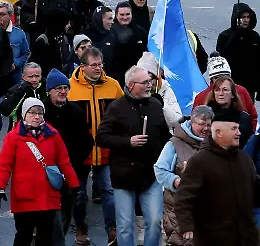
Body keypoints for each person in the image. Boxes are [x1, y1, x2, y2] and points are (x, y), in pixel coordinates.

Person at [96, 66, 171, 246]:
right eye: (145, 82)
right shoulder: (116, 107)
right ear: (131, 85)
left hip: (150, 175)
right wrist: (128, 142)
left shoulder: (155, 104)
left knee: (154, 222)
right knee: (125, 226)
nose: (149, 85)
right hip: (124, 176)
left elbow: (165, 136)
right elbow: (101, 137)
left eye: (150, 81)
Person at [0, 97, 80, 246]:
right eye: (32, 113)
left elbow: (64, 163)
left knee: (45, 237)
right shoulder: (13, 138)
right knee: (23, 236)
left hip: (48, 196)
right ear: (24, 114)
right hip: (24, 196)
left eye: (40, 113)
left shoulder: (53, 135)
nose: (36, 116)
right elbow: (5, 165)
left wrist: (75, 186)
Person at [174, 107, 260, 246]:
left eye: (238, 128)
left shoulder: (244, 159)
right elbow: (184, 196)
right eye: (234, 129)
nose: (239, 133)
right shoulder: (200, 161)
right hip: (213, 237)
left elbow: (255, 188)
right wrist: (186, 225)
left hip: (246, 237)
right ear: (218, 132)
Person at [67, 46, 123, 243]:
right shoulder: (70, 88)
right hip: (80, 151)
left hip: (107, 149)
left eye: (100, 64)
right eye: (94, 65)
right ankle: (80, 226)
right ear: (82, 67)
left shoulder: (113, 86)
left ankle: (112, 229)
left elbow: (123, 114)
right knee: (79, 193)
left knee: (109, 191)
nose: (98, 68)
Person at [43, 68, 95, 244]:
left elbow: (87, 141)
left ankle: (72, 232)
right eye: (58, 88)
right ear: (49, 90)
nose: (63, 91)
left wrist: (75, 162)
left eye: (65, 87)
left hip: (73, 167)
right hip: (47, 170)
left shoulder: (75, 111)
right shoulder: (41, 111)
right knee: (50, 211)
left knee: (72, 204)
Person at [153, 105, 213, 246]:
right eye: (201, 124)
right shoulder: (175, 144)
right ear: (191, 122)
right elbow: (160, 170)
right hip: (180, 209)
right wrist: (176, 181)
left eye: (208, 125)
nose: (205, 128)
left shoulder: (216, 143)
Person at [193, 56, 258, 131]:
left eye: (224, 76)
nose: (222, 81)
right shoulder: (201, 97)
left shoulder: (242, 91)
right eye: (217, 77)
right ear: (211, 79)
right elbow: (195, 123)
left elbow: (253, 117)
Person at [216, 3, 260, 99]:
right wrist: (235, 36)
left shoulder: (254, 37)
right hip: (231, 86)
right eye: (242, 17)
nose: (245, 20)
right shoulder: (225, 36)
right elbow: (221, 60)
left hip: (249, 86)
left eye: (248, 17)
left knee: (247, 113)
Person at [101, 2, 148, 82]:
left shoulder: (141, 32)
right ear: (116, 15)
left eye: (127, 14)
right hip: (115, 77)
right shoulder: (109, 32)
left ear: (131, 14)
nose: (125, 17)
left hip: (136, 77)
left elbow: (146, 54)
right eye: (122, 15)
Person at [137, 52, 185, 129]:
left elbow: (177, 122)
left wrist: (163, 105)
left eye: (150, 75)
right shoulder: (131, 90)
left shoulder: (165, 89)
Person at [204, 75, 254, 148]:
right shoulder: (205, 116)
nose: (221, 93)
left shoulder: (244, 118)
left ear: (233, 94)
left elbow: (249, 145)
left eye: (225, 90)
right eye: (217, 90)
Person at [0, 62, 45, 130]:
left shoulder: (45, 90)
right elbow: (5, 111)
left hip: (41, 130)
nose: (34, 79)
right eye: (30, 76)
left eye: (37, 76)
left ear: (41, 76)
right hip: (19, 131)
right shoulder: (16, 90)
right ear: (23, 76)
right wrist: (20, 91)